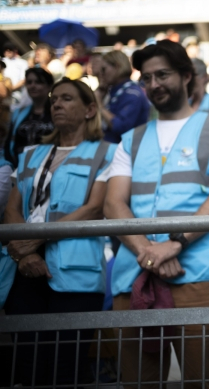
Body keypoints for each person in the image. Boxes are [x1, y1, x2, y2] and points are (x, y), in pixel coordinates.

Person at [104, 40, 209, 388]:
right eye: (147, 78)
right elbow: (113, 204)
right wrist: (149, 252)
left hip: (196, 275)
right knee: (138, 382)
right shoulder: (130, 138)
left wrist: (175, 243)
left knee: (203, 380)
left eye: (163, 75)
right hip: (136, 276)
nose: (154, 84)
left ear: (187, 77)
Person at [3, 77, 116, 387]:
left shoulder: (108, 152)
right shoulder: (30, 154)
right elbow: (12, 209)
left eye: (67, 99)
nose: (56, 104)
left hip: (75, 273)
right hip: (23, 267)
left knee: (66, 365)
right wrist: (24, 252)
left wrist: (35, 240)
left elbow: (95, 208)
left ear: (90, 109)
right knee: (28, 364)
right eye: (54, 100)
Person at [95, 50, 150, 144]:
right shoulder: (112, 90)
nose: (101, 74)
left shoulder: (132, 93)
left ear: (117, 67)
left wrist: (99, 105)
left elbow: (121, 126)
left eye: (104, 69)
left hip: (124, 151)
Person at [4, 68, 54, 167]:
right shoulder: (18, 113)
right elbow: (9, 144)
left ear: (49, 86)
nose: (32, 86)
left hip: (49, 169)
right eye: (29, 82)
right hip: (20, 169)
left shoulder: (57, 111)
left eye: (38, 82)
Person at [2, 42, 29, 109]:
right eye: (6, 49)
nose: (8, 51)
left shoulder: (22, 62)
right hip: (2, 95)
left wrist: (10, 89)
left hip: (15, 96)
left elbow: (23, 80)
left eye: (10, 49)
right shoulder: (1, 61)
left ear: (15, 50)